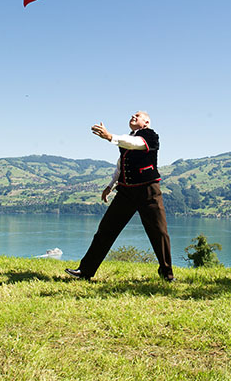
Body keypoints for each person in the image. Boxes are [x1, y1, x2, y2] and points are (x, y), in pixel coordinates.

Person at [65, 111, 174, 281]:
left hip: (148, 190)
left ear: (146, 122)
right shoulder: (127, 139)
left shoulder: (150, 136)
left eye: (138, 116)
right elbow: (120, 165)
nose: (133, 116)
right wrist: (110, 185)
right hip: (126, 192)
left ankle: (167, 274)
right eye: (133, 114)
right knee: (105, 230)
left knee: (159, 232)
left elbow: (135, 143)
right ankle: (85, 271)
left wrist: (110, 137)